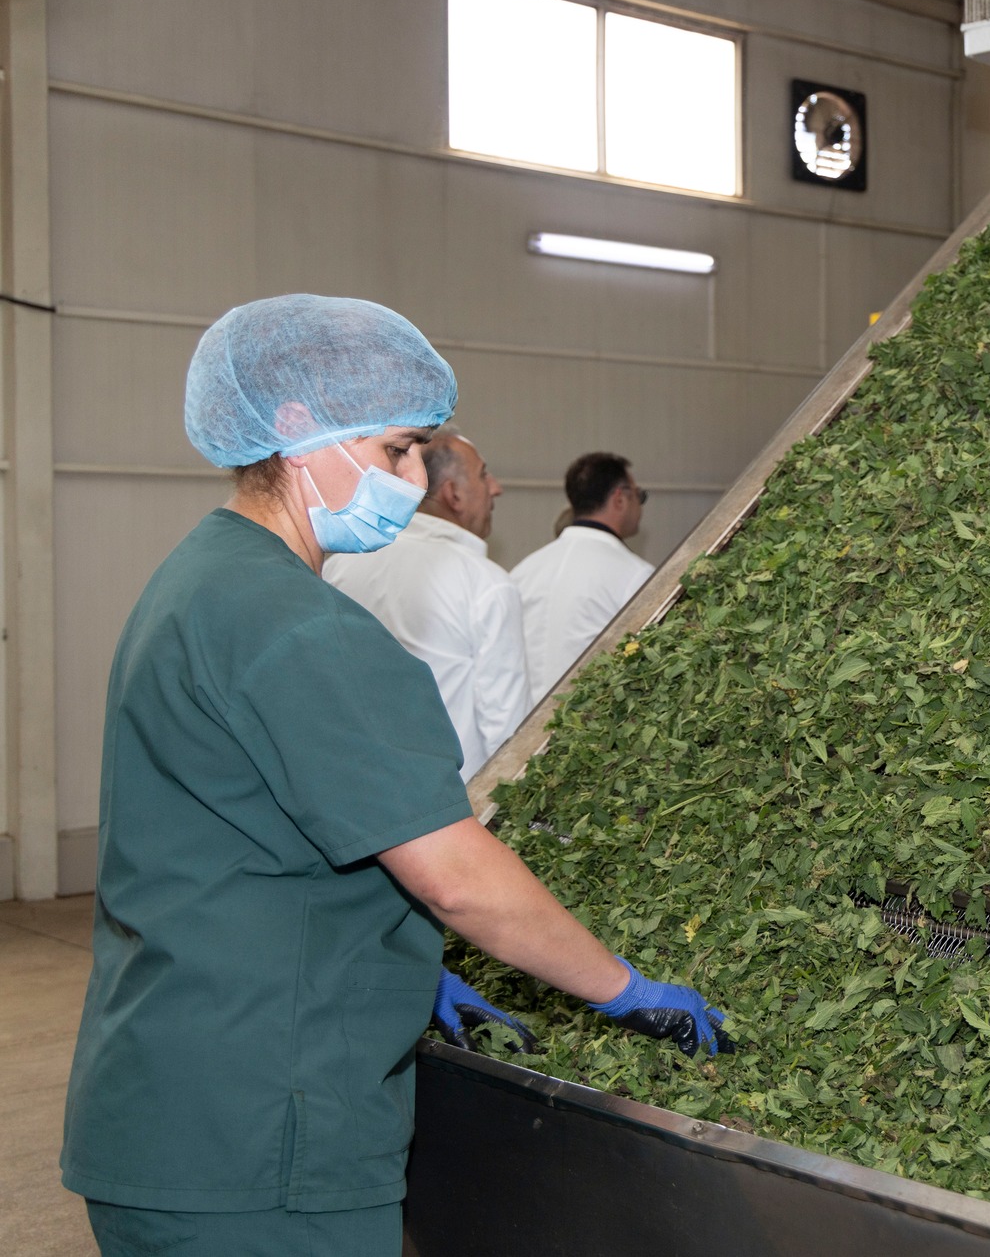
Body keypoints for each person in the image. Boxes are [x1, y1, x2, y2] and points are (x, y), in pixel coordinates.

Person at [63, 295, 723, 1257]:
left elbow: (248, 832)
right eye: (397, 449)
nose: (415, 481)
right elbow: (457, 877)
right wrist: (623, 988)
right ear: (299, 432)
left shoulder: (199, 579)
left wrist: (396, 965)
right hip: (264, 1137)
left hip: (167, 1092)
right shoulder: (300, 627)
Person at [325, 429, 529, 781]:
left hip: (360, 789)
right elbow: (509, 736)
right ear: (454, 495)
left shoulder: (341, 565)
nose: (496, 488)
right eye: (483, 474)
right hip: (457, 799)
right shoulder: (485, 583)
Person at [511, 451, 656, 700]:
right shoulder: (635, 575)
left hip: (524, 720)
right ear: (620, 498)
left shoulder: (524, 570)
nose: (640, 507)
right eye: (639, 496)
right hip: (587, 719)